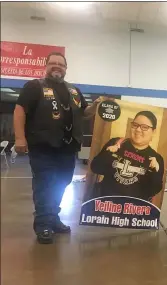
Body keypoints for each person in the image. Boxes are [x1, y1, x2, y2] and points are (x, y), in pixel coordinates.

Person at [13, 52, 101, 244]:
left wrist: (95, 105)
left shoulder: (74, 91)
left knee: (62, 184)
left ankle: (53, 218)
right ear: (46, 66)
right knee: (45, 185)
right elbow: (20, 111)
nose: (57, 66)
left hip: (67, 149)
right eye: (53, 63)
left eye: (60, 64)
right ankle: (43, 224)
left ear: (66, 69)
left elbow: (85, 113)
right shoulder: (34, 87)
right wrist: (20, 138)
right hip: (42, 147)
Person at [90, 111, 164, 202]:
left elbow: (153, 191)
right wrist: (108, 154)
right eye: (135, 125)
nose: (138, 130)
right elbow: (95, 168)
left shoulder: (156, 159)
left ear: (153, 131)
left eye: (144, 127)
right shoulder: (115, 143)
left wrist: (154, 172)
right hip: (106, 205)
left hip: (132, 210)